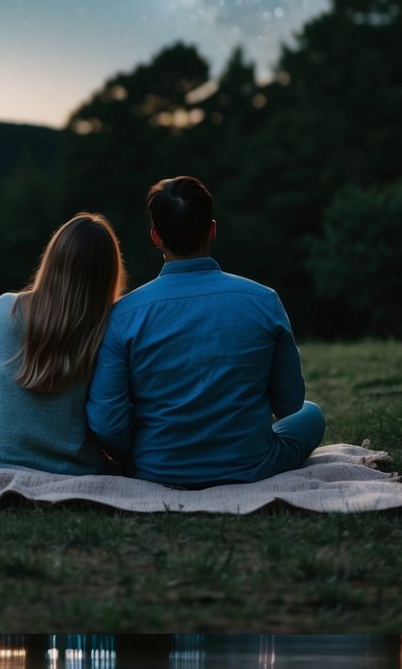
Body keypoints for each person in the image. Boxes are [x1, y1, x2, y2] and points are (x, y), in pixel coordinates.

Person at [86, 175, 325, 486]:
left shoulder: (122, 316)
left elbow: (108, 423)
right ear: (212, 229)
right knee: (311, 414)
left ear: (156, 237)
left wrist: (139, 455)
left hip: (157, 469)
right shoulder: (264, 300)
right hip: (250, 467)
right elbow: (289, 404)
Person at [0, 211, 127, 475]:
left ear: (52, 259)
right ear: (108, 272)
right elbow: (106, 415)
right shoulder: (109, 326)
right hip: (66, 468)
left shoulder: (7, 308)